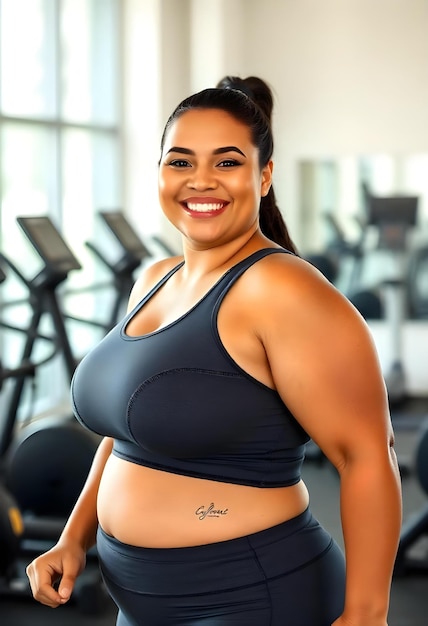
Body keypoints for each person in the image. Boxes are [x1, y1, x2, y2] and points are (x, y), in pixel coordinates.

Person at [26, 77, 402, 626]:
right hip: (136, 601)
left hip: (249, 594)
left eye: (226, 162)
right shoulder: (153, 280)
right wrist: (72, 537)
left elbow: (366, 455)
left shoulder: (284, 291)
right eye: (180, 161)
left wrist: (367, 614)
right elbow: (125, 433)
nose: (200, 180)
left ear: (264, 174)